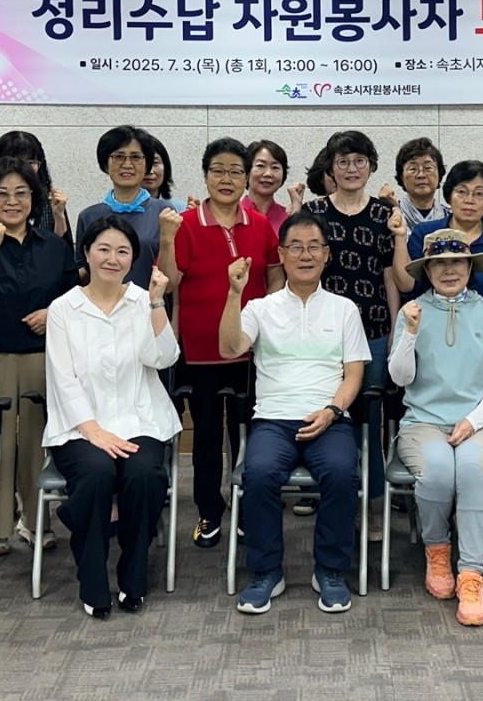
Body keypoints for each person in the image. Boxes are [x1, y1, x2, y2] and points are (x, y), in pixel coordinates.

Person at [218, 212, 370, 615]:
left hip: (329, 417)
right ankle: (266, 572)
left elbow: (354, 373)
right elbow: (230, 348)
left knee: (342, 473)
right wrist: (234, 294)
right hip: (273, 418)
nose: (306, 255)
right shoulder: (260, 308)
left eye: (314, 246)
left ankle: (330, 570)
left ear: (327, 254)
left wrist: (333, 410)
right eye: (296, 247)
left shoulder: (344, 309)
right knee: (258, 474)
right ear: (281, 255)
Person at [42, 216, 181, 618]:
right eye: (103, 249)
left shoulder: (142, 300)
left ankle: (134, 576)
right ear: (86, 253)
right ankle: (92, 580)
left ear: (133, 259)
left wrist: (157, 302)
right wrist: (93, 430)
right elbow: (63, 378)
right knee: (96, 474)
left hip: (140, 418)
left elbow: (163, 358)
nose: (112, 259)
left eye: (122, 251)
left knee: (145, 476)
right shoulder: (63, 308)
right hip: (80, 426)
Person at [157, 138, 285, 550]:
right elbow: (168, 283)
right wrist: (166, 238)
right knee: (208, 438)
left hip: (251, 351)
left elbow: (274, 276)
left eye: (235, 171)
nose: (226, 179)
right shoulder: (186, 224)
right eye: (218, 170)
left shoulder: (260, 225)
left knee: (248, 433)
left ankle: (248, 509)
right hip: (200, 351)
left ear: (246, 177)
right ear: (206, 175)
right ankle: (210, 511)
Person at [0, 157, 79, 556]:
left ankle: (37, 522)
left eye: (21, 193)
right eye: (2, 194)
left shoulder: (53, 246)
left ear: (34, 198)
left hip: (45, 356)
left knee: (38, 443)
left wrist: (52, 312)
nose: (12, 202)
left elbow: (73, 295)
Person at [389, 229, 483, 626]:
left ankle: (472, 573)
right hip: (423, 421)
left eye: (457, 262)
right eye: (439, 263)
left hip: (482, 423)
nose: (449, 270)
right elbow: (400, 377)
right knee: (439, 470)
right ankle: (438, 551)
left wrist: (474, 420)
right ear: (427, 270)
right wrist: (410, 334)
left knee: (474, 471)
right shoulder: (411, 312)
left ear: (469, 267)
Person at [304, 130, 398, 538]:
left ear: (371, 166)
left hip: (373, 331)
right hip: (323, 337)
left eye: (359, 160)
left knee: (369, 423)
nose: (351, 168)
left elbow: (391, 276)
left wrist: (395, 328)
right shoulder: (313, 212)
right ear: (331, 167)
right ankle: (333, 501)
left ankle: (373, 507)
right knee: (328, 418)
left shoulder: (383, 214)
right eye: (342, 161)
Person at [392, 160, 483, 333]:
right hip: (430, 331)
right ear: (449, 195)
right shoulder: (426, 233)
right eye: (461, 192)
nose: (469, 200)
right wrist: (400, 237)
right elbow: (406, 285)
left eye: (479, 194)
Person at [73, 125, 174, 289]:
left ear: (147, 164)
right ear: (105, 164)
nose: (127, 164)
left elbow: (171, 282)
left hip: (151, 302)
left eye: (135, 157)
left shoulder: (164, 212)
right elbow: (82, 277)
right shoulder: (89, 216)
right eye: (118, 157)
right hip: (102, 304)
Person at [0, 130, 71, 245]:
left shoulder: (51, 204)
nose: (23, 169)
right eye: (15, 161)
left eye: (30, 163)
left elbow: (62, 250)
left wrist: (59, 216)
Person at [383, 137, 449, 230]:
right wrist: (391, 208)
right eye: (413, 169)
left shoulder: (452, 219)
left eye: (428, 168)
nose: (421, 175)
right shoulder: (387, 215)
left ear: (439, 173)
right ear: (401, 177)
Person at [241, 138, 305, 232]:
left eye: (275, 167)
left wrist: (296, 207)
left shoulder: (289, 217)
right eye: (260, 165)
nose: (268, 173)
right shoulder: (231, 215)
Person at [142, 135, 188, 213]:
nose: (150, 171)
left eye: (155, 163)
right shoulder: (122, 210)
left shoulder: (181, 209)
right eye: (144, 164)